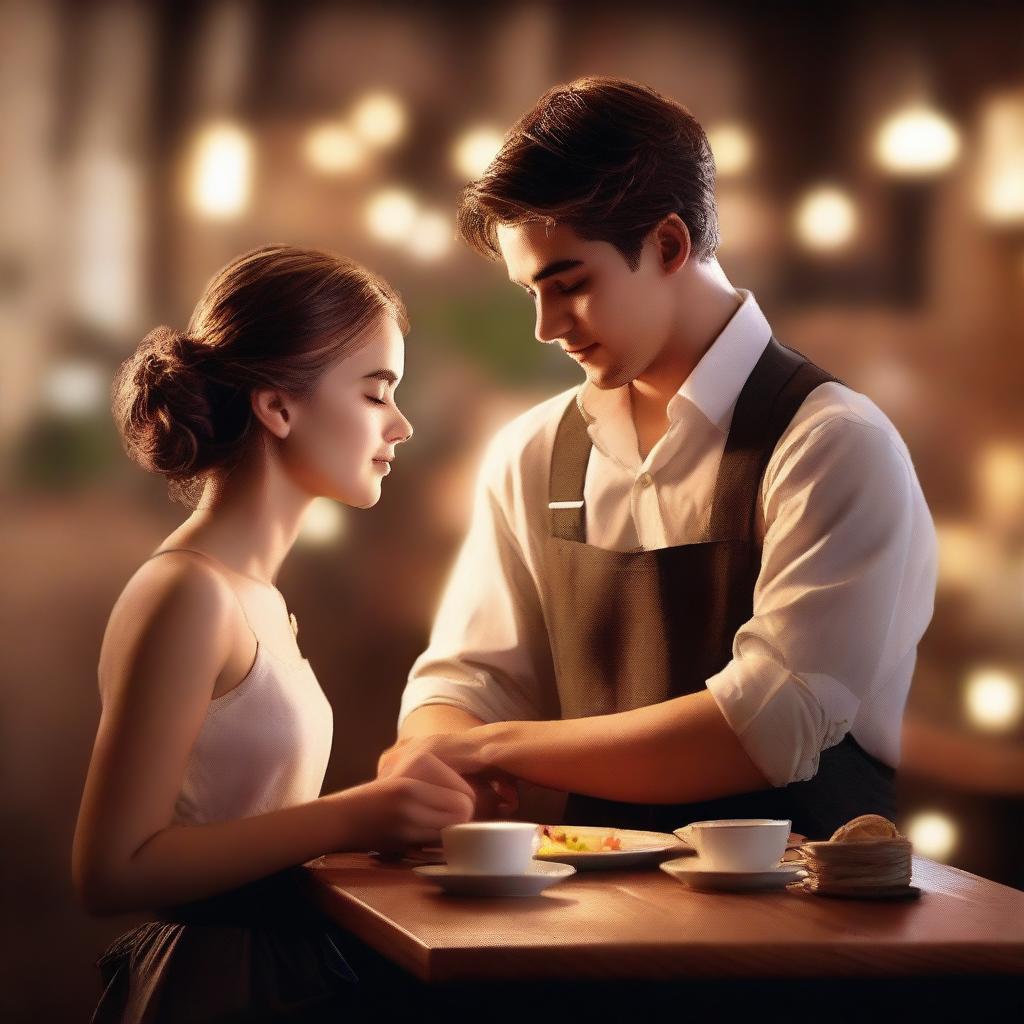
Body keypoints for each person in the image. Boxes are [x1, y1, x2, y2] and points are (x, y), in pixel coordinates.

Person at [381, 77, 939, 841]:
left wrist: (487, 746)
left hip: (801, 941)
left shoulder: (832, 443)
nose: (546, 327)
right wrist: (432, 755)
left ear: (670, 244)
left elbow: (768, 724)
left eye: (569, 284)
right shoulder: (533, 452)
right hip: (589, 930)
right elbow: (467, 679)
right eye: (529, 293)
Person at [72, 244, 476, 1023]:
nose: (401, 424)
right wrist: (359, 814)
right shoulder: (188, 594)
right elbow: (111, 870)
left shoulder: (251, 594)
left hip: (272, 971)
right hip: (213, 985)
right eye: (375, 392)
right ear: (278, 407)